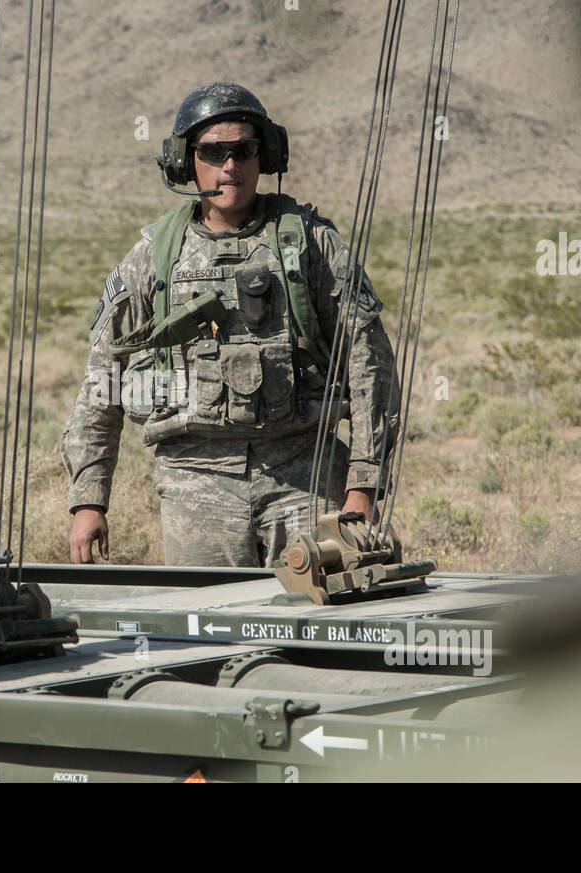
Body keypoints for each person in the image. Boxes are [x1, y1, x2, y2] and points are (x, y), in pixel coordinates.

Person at [61, 82, 400, 567]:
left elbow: (371, 370)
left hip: (305, 475)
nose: (230, 166)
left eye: (243, 150)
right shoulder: (154, 257)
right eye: (214, 152)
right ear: (184, 161)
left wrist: (363, 488)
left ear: (265, 156)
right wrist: (89, 499)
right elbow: (102, 378)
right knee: (210, 626)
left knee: (323, 618)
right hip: (194, 485)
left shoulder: (311, 246)